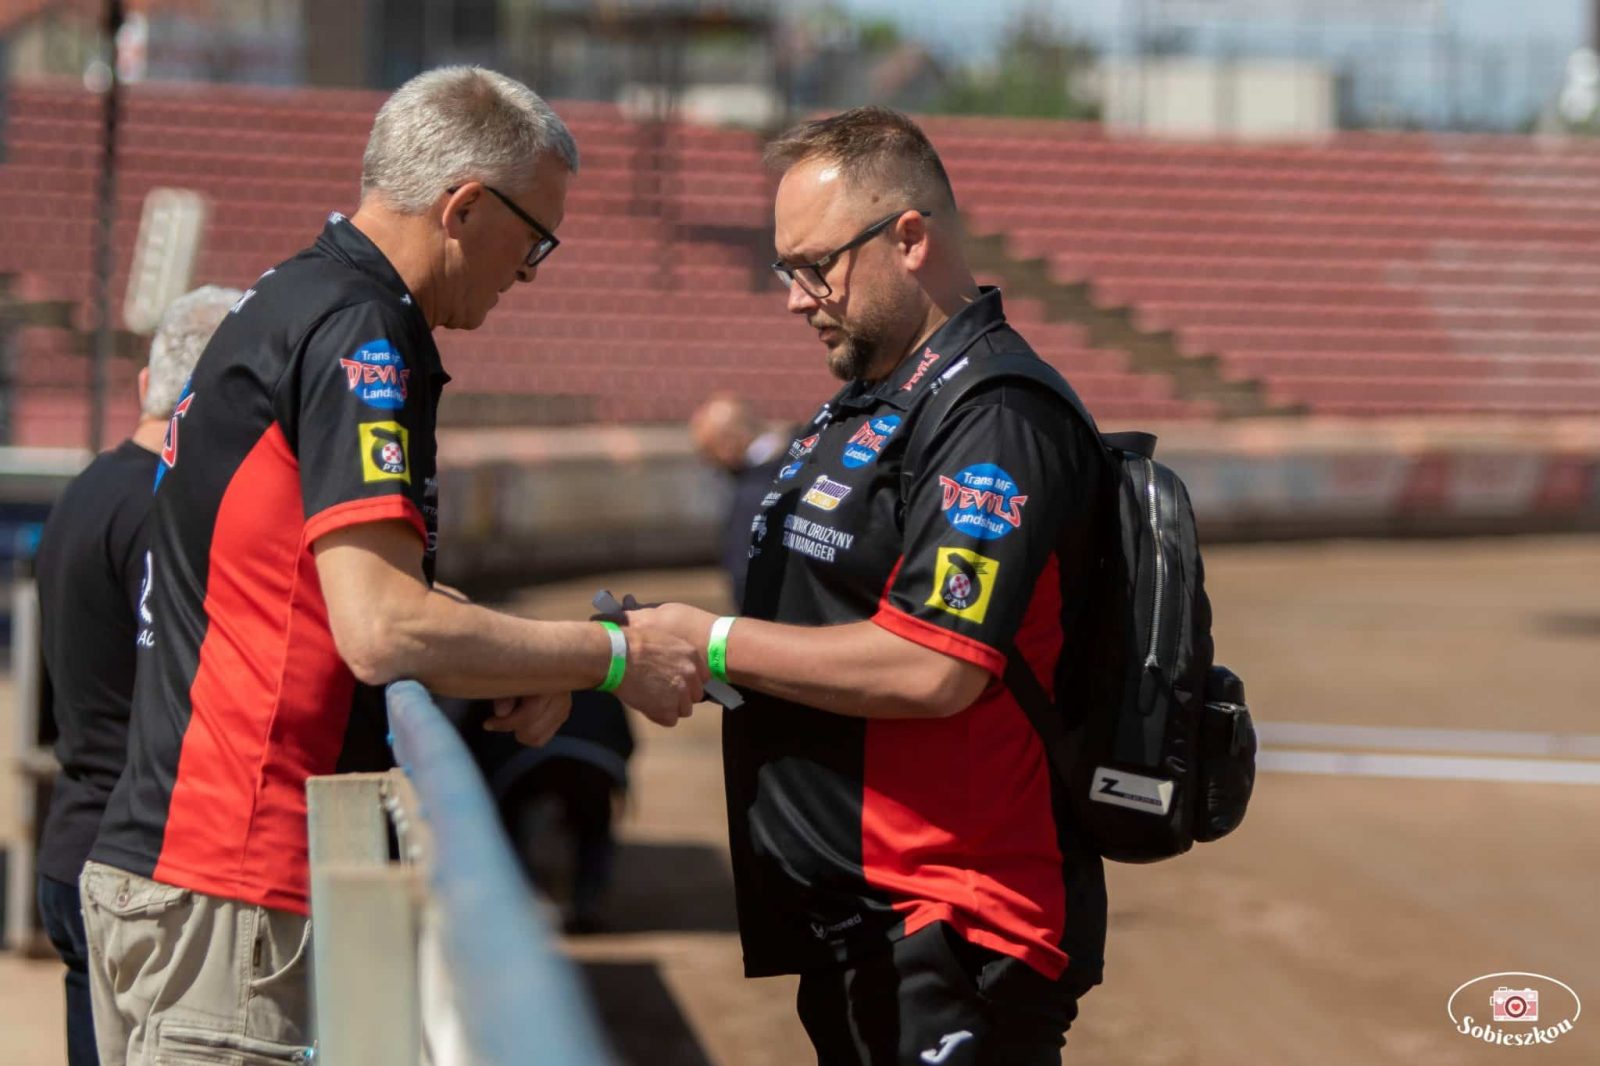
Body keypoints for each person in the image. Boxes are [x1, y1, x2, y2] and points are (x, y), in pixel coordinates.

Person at [80, 66, 706, 1066]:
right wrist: (613, 658)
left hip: (184, 869)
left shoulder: (294, 296)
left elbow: (332, 587)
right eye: (534, 240)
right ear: (464, 208)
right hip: (235, 885)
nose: (530, 273)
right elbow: (383, 626)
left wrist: (536, 658)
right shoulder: (359, 328)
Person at [624, 107, 1107, 1065]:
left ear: (910, 239)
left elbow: (934, 666)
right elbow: (812, 628)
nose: (795, 299)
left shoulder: (994, 414)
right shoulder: (873, 398)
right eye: (786, 269)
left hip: (955, 925)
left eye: (816, 266)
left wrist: (710, 641)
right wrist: (613, 657)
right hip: (865, 919)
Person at [32, 286, 240, 1066]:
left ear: (148, 384)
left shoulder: (86, 489)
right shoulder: (166, 511)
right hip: (138, 864)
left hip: (74, 844)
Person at [688, 392, 789, 603]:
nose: (709, 463)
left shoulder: (758, 487)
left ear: (728, 442)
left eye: (709, 451)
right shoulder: (797, 460)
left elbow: (746, 571)